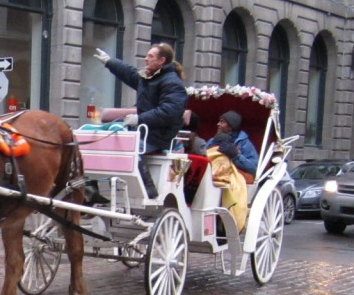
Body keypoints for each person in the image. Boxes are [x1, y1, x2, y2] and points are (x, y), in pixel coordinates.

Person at [94, 43, 188, 196]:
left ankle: (148, 189)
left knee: (128, 148)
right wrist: (109, 62)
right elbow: (130, 73)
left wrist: (139, 118)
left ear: (161, 60)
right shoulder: (150, 77)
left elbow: (168, 112)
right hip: (142, 130)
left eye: (150, 56)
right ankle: (100, 188)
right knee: (105, 139)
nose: (145, 59)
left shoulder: (172, 83)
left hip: (158, 135)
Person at [208, 110, 258, 182]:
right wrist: (213, 145)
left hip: (233, 179)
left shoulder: (244, 144)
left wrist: (236, 156)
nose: (218, 124)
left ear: (231, 127)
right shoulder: (212, 140)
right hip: (212, 174)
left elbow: (253, 169)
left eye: (222, 122)